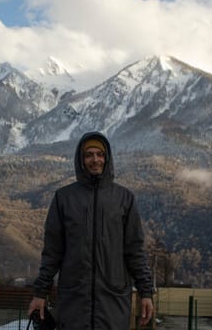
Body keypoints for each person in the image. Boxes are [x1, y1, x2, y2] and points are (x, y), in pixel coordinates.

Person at [28, 131, 154, 329]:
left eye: (100, 154)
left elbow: (135, 251)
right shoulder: (64, 198)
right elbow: (52, 252)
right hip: (74, 303)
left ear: (107, 158)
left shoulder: (125, 199)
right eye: (89, 155)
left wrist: (146, 292)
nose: (95, 159)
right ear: (81, 160)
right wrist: (40, 293)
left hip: (113, 303)